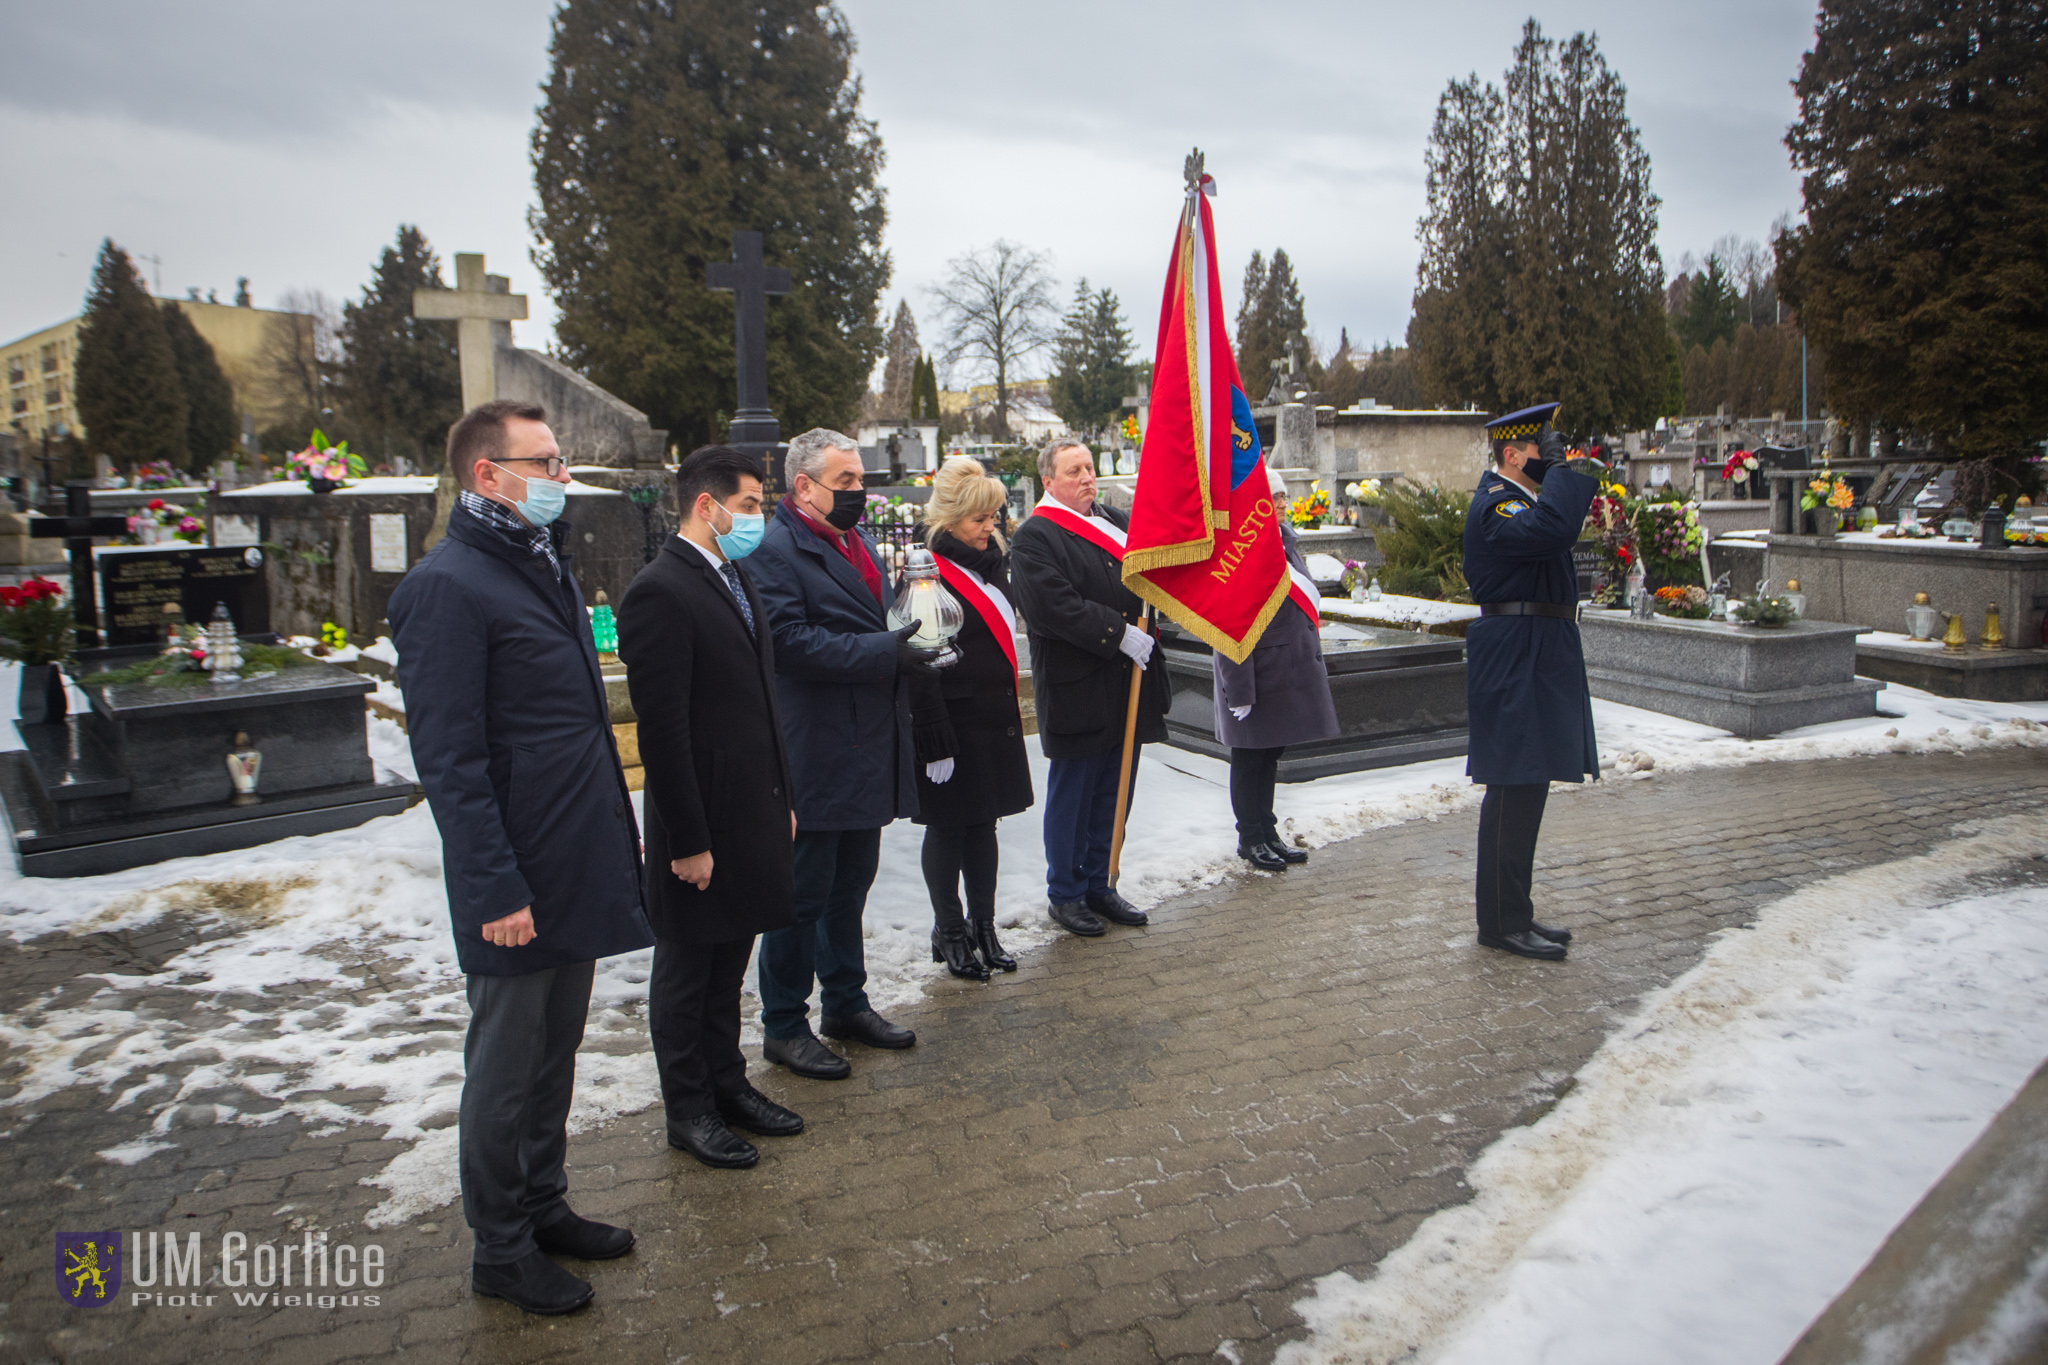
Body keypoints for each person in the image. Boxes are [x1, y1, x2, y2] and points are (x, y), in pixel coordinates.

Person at [389, 399, 652, 1316]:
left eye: (559, 461)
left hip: (572, 855)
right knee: (503, 1072)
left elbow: (569, 726)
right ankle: (499, 1246)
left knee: (554, 1054)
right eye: (543, 463)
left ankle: (544, 1204)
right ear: (486, 476)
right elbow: (452, 763)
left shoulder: (540, 565)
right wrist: (494, 884)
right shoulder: (447, 586)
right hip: (514, 877)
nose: (561, 478)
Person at [616, 445, 806, 1171]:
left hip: (750, 810)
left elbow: (762, 703)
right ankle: (688, 1107)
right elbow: (661, 731)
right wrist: (687, 839)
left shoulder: (733, 576)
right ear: (708, 506)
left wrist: (783, 799)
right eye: (753, 504)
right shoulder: (660, 591)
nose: (760, 517)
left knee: (730, 962)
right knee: (689, 972)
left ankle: (729, 1086)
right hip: (700, 821)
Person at [747, 428, 928, 1079]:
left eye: (861, 479)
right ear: (803, 486)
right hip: (816, 750)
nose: (860, 492)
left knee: (849, 886)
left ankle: (845, 1002)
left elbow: (869, 621)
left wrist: (915, 637)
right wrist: (888, 651)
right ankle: (784, 1023)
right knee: (802, 895)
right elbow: (791, 644)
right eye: (845, 482)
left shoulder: (854, 543)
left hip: (865, 743)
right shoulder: (775, 551)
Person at [1008, 438, 1170, 938]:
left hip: (1128, 682)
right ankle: (1067, 893)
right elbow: (1052, 607)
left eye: (1089, 467)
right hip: (1080, 684)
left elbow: (1148, 578)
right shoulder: (1035, 536)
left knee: (1114, 791)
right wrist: (1120, 634)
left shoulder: (1116, 521)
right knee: (1074, 795)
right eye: (1073, 470)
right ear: (1049, 481)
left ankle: (1101, 881)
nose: (1086, 477)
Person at [1461, 401, 1604, 962]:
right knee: (1513, 786)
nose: (1547, 461)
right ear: (1512, 454)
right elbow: (1555, 529)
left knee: (1531, 783)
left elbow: (1555, 527)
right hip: (1514, 651)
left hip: (1534, 649)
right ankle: (1498, 923)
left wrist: (1576, 469)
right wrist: (1567, 471)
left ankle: (1514, 912)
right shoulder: (1495, 505)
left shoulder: (1523, 501)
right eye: (1539, 452)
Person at [908, 456, 1034, 980]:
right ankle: (950, 930)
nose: (991, 528)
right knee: (948, 829)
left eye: (995, 517)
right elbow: (918, 657)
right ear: (952, 518)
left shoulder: (990, 564)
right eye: (980, 519)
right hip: (953, 724)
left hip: (991, 718)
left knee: (985, 825)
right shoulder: (926, 571)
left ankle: (984, 926)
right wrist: (933, 732)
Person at [1215, 466, 1340, 871]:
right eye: (1275, 497)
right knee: (1249, 759)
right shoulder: (1239, 552)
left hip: (1282, 672)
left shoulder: (1285, 542)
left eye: (1284, 497)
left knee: (1269, 756)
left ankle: (1267, 831)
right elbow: (1228, 624)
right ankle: (1249, 837)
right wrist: (1239, 690)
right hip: (1256, 674)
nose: (1283, 504)